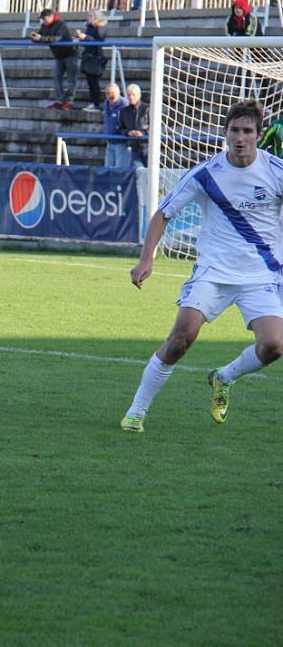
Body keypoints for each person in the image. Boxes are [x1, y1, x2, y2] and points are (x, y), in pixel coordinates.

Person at [120, 99, 283, 433]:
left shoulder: (276, 171)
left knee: (274, 346)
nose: (240, 137)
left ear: (259, 134)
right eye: (234, 130)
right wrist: (146, 259)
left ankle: (224, 377)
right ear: (225, 133)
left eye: (247, 131)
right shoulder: (206, 173)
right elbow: (163, 213)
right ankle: (137, 411)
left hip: (261, 275)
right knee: (181, 339)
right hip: (214, 273)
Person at [30, 8, 78, 111]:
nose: (43, 21)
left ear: (51, 16)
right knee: (57, 78)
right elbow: (41, 36)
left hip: (70, 54)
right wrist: (34, 38)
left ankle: (68, 101)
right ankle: (60, 101)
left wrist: (41, 39)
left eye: (45, 18)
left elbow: (56, 38)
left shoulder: (61, 24)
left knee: (71, 80)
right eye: (42, 19)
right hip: (59, 56)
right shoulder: (44, 26)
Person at [75, 9, 108, 112]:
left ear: (96, 17)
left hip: (95, 57)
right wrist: (80, 38)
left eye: (90, 16)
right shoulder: (90, 27)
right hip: (89, 56)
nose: (88, 17)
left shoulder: (99, 27)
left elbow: (99, 41)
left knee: (94, 82)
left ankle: (96, 104)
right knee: (91, 82)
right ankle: (94, 103)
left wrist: (85, 37)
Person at [118, 83, 149, 167]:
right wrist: (128, 133)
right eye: (129, 95)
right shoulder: (123, 111)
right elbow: (121, 128)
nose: (131, 97)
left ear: (139, 95)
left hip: (148, 147)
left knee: (150, 174)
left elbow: (155, 127)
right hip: (134, 148)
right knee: (137, 173)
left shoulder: (147, 108)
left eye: (133, 95)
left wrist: (142, 133)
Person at [102, 83, 130, 167]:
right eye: (107, 93)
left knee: (120, 170)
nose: (110, 95)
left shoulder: (124, 104)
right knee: (108, 169)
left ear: (118, 92)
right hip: (109, 142)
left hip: (121, 142)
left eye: (112, 93)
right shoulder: (106, 103)